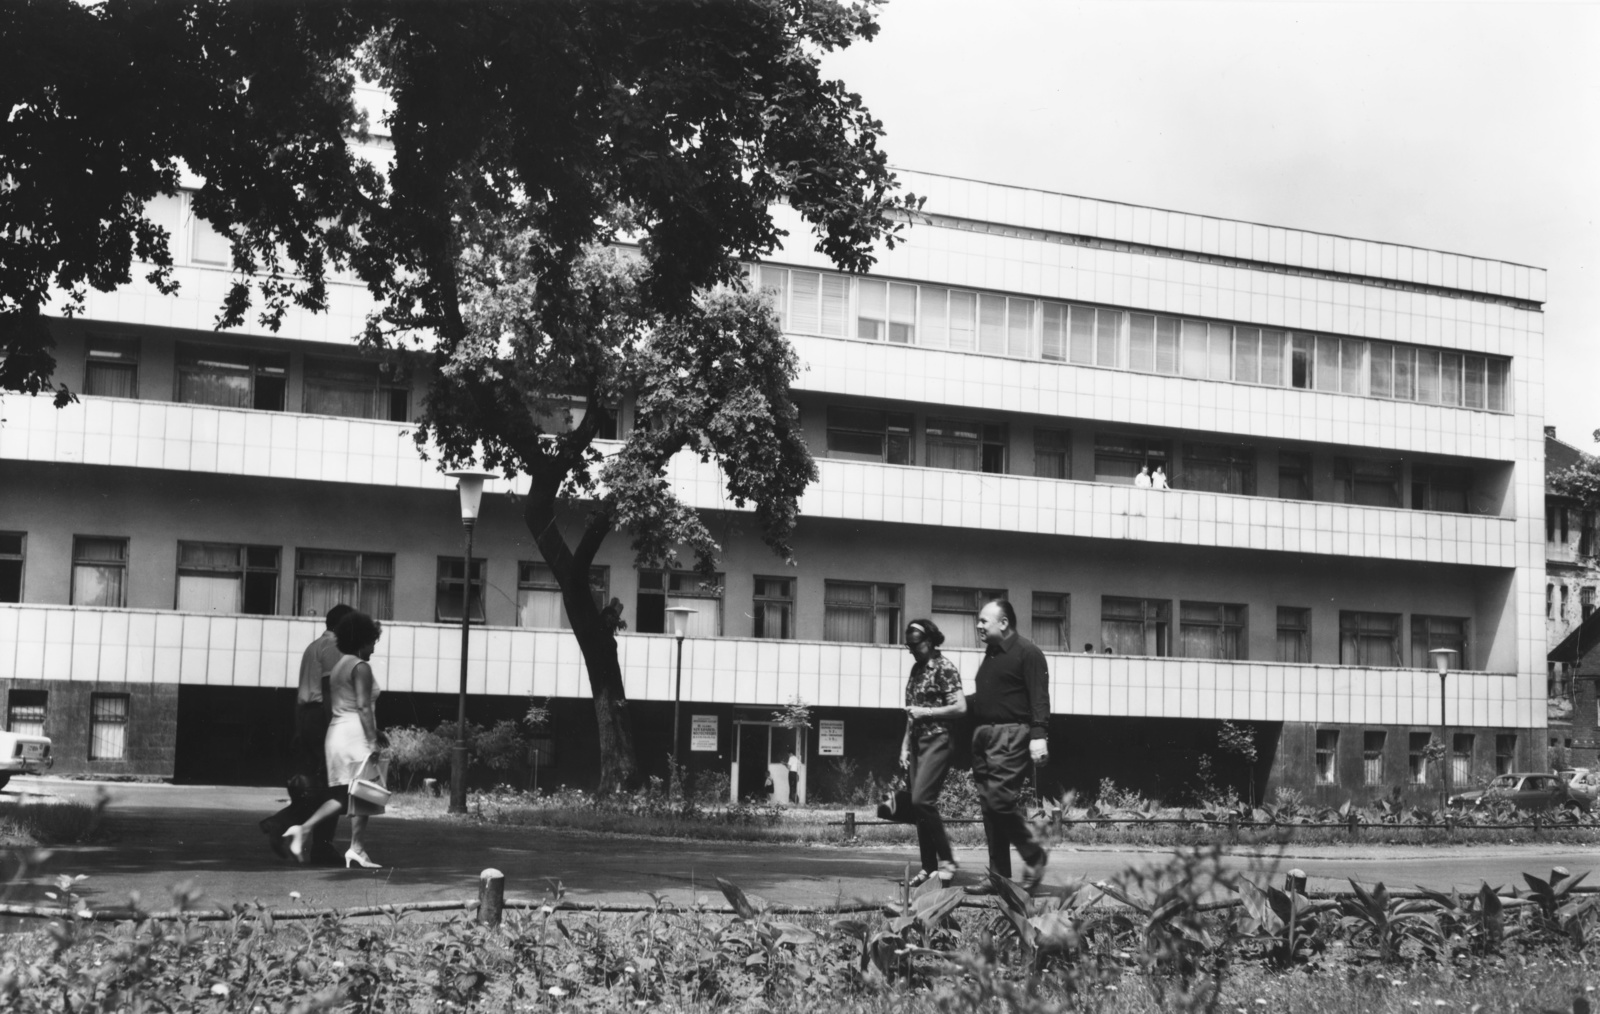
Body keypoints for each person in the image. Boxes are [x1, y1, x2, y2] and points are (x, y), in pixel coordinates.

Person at [284, 610, 386, 869]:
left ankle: (310, 831)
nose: (374, 647)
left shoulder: (340, 666)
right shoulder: (361, 667)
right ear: (362, 640)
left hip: (337, 733)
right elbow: (363, 706)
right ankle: (355, 848)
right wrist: (373, 740)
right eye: (372, 641)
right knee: (364, 793)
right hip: (355, 734)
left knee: (344, 794)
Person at [965, 598, 1050, 894]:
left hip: (1011, 735)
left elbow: (1039, 697)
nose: (978, 626)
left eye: (983, 621)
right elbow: (988, 697)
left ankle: (1034, 855)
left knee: (999, 800)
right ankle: (999, 878)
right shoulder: (992, 654)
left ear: (1003, 623)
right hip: (984, 736)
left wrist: (1039, 735)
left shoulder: (1028, 653)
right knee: (990, 807)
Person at [259, 604, 352, 864]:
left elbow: (300, 693)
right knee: (332, 786)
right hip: (324, 718)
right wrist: (334, 729)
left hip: (307, 717)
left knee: (317, 785)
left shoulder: (312, 647)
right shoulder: (335, 647)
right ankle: (316, 843)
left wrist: (299, 728)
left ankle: (292, 828)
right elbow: (329, 691)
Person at [899, 619, 966, 887]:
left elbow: (960, 708)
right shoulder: (916, 669)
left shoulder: (945, 668)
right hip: (917, 742)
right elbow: (910, 712)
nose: (912, 650)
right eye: (909, 646)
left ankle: (947, 860)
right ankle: (928, 867)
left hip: (938, 739)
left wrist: (927, 712)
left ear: (930, 640)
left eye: (915, 644)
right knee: (918, 807)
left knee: (922, 801)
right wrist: (904, 745)